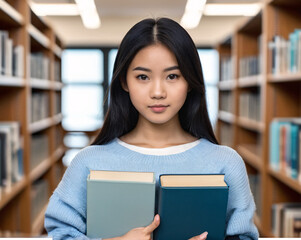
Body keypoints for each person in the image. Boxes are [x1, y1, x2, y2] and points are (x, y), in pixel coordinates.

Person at [44, 17, 259, 240]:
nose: (158, 92)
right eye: (143, 77)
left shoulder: (225, 163)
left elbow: (244, 236)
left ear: (190, 82)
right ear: (124, 82)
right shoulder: (88, 162)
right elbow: (62, 233)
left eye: (173, 76)